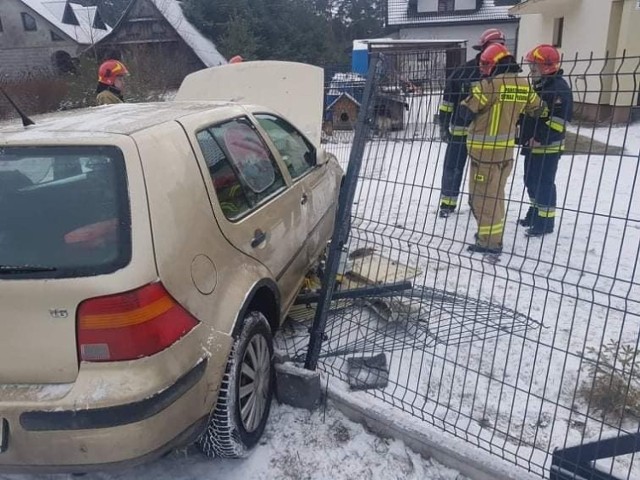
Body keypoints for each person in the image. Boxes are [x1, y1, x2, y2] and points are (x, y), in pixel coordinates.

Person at [451, 43, 546, 254]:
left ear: (495, 64)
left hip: (483, 154)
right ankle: (491, 235)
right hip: (505, 154)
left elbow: (464, 113)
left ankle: (489, 242)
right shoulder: (523, 84)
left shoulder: (490, 85)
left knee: (483, 199)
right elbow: (539, 109)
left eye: (485, 65)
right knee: (497, 196)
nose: (483, 69)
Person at [437, 28, 507, 218]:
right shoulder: (464, 71)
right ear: (483, 48)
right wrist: (444, 125)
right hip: (462, 132)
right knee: (453, 167)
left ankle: (476, 202)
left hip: (487, 135)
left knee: (481, 172)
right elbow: (447, 101)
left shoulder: (505, 74)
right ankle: (447, 203)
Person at [518, 44, 573, 237]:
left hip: (548, 146)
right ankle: (534, 213)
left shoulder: (558, 89)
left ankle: (545, 222)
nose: (531, 71)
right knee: (530, 180)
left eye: (534, 66)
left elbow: (559, 121)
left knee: (544, 183)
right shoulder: (542, 86)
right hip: (533, 145)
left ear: (546, 66)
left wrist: (540, 138)